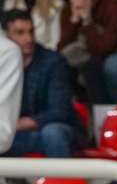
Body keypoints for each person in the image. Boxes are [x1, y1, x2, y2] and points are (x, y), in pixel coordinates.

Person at [0, 10, 75, 158]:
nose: (29, 39)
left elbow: (61, 110)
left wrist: (25, 122)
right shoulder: (3, 61)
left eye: (31, 31)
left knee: (53, 134)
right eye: (20, 33)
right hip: (12, 133)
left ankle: (61, 174)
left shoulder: (52, 61)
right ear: (5, 36)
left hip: (45, 127)